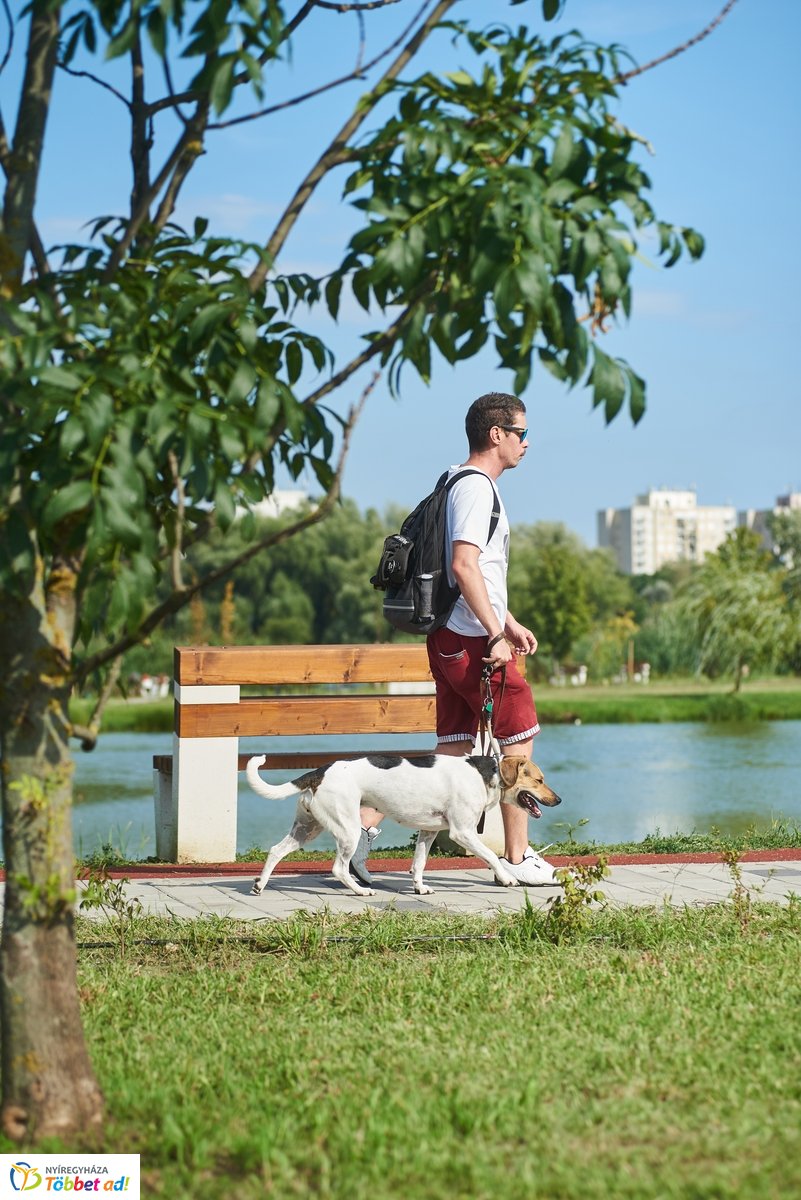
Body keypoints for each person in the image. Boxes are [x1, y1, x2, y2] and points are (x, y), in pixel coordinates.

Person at [350, 391, 558, 887]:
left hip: (451, 635)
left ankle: (360, 835)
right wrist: (494, 633)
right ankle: (517, 855)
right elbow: (464, 565)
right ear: (497, 435)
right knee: (520, 737)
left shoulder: (453, 480)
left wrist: (508, 620)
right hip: (470, 640)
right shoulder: (476, 488)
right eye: (521, 433)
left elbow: (469, 571)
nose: (527, 443)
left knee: (453, 751)